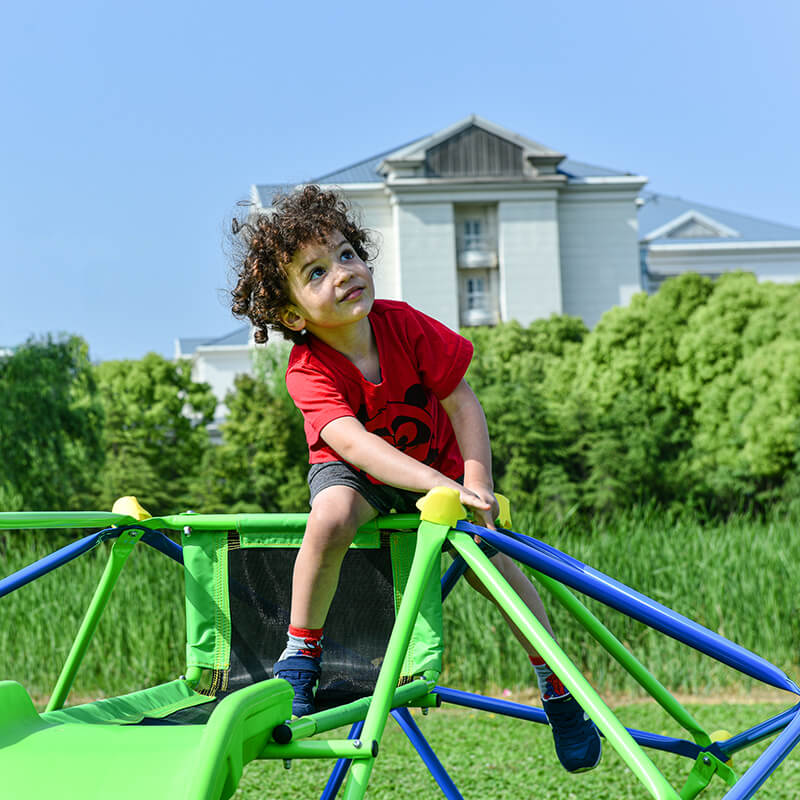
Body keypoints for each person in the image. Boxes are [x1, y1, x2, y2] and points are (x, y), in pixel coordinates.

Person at [229, 185, 601, 773]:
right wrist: (437, 484)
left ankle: (556, 682)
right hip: (359, 473)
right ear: (294, 315)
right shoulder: (308, 371)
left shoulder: (404, 326)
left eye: (348, 253)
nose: (343, 272)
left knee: (496, 566)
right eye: (317, 271)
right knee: (329, 516)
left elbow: (462, 404)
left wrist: (474, 480)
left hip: (442, 469)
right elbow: (355, 445)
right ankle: (300, 655)